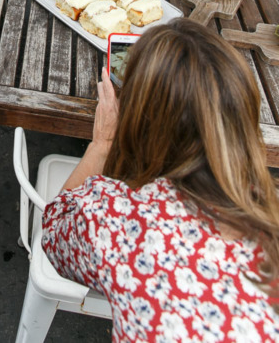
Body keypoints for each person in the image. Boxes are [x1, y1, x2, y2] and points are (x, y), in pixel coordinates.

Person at [42, 19, 279, 342]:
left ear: (140, 117)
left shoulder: (118, 218)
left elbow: (55, 230)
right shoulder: (268, 208)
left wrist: (102, 143)